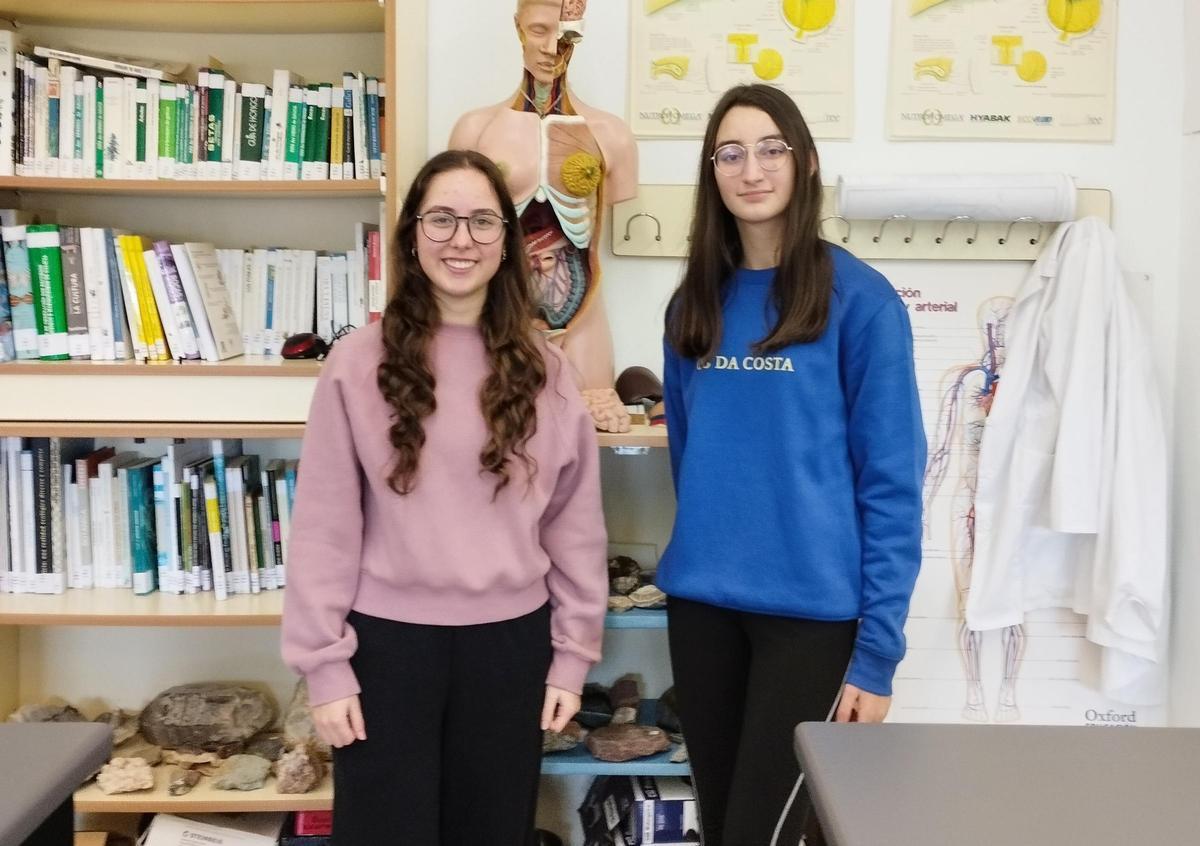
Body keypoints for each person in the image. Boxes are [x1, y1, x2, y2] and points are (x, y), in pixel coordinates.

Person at [281, 149, 609, 845]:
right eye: (442, 219)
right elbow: (323, 529)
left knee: (491, 831)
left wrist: (572, 656)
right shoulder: (356, 363)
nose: (462, 239)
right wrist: (325, 668)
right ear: (410, 236)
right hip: (385, 651)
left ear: (507, 242)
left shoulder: (546, 372)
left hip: (509, 648)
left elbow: (575, 527)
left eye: (483, 221)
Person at [659, 84, 926, 846]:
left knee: (763, 834)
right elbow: (690, 454)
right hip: (704, 613)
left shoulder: (861, 301)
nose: (753, 169)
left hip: (811, 625)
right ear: (712, 173)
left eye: (772, 148)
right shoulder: (693, 307)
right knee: (723, 827)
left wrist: (876, 657)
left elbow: (893, 484)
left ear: (805, 163)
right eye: (731, 153)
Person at [450, 0, 638, 434]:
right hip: (496, 319)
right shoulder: (475, 131)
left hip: (584, 321)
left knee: (584, 437)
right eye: (539, 30)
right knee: (489, 436)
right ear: (517, 28)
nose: (552, 47)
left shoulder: (611, 135)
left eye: (565, 34)